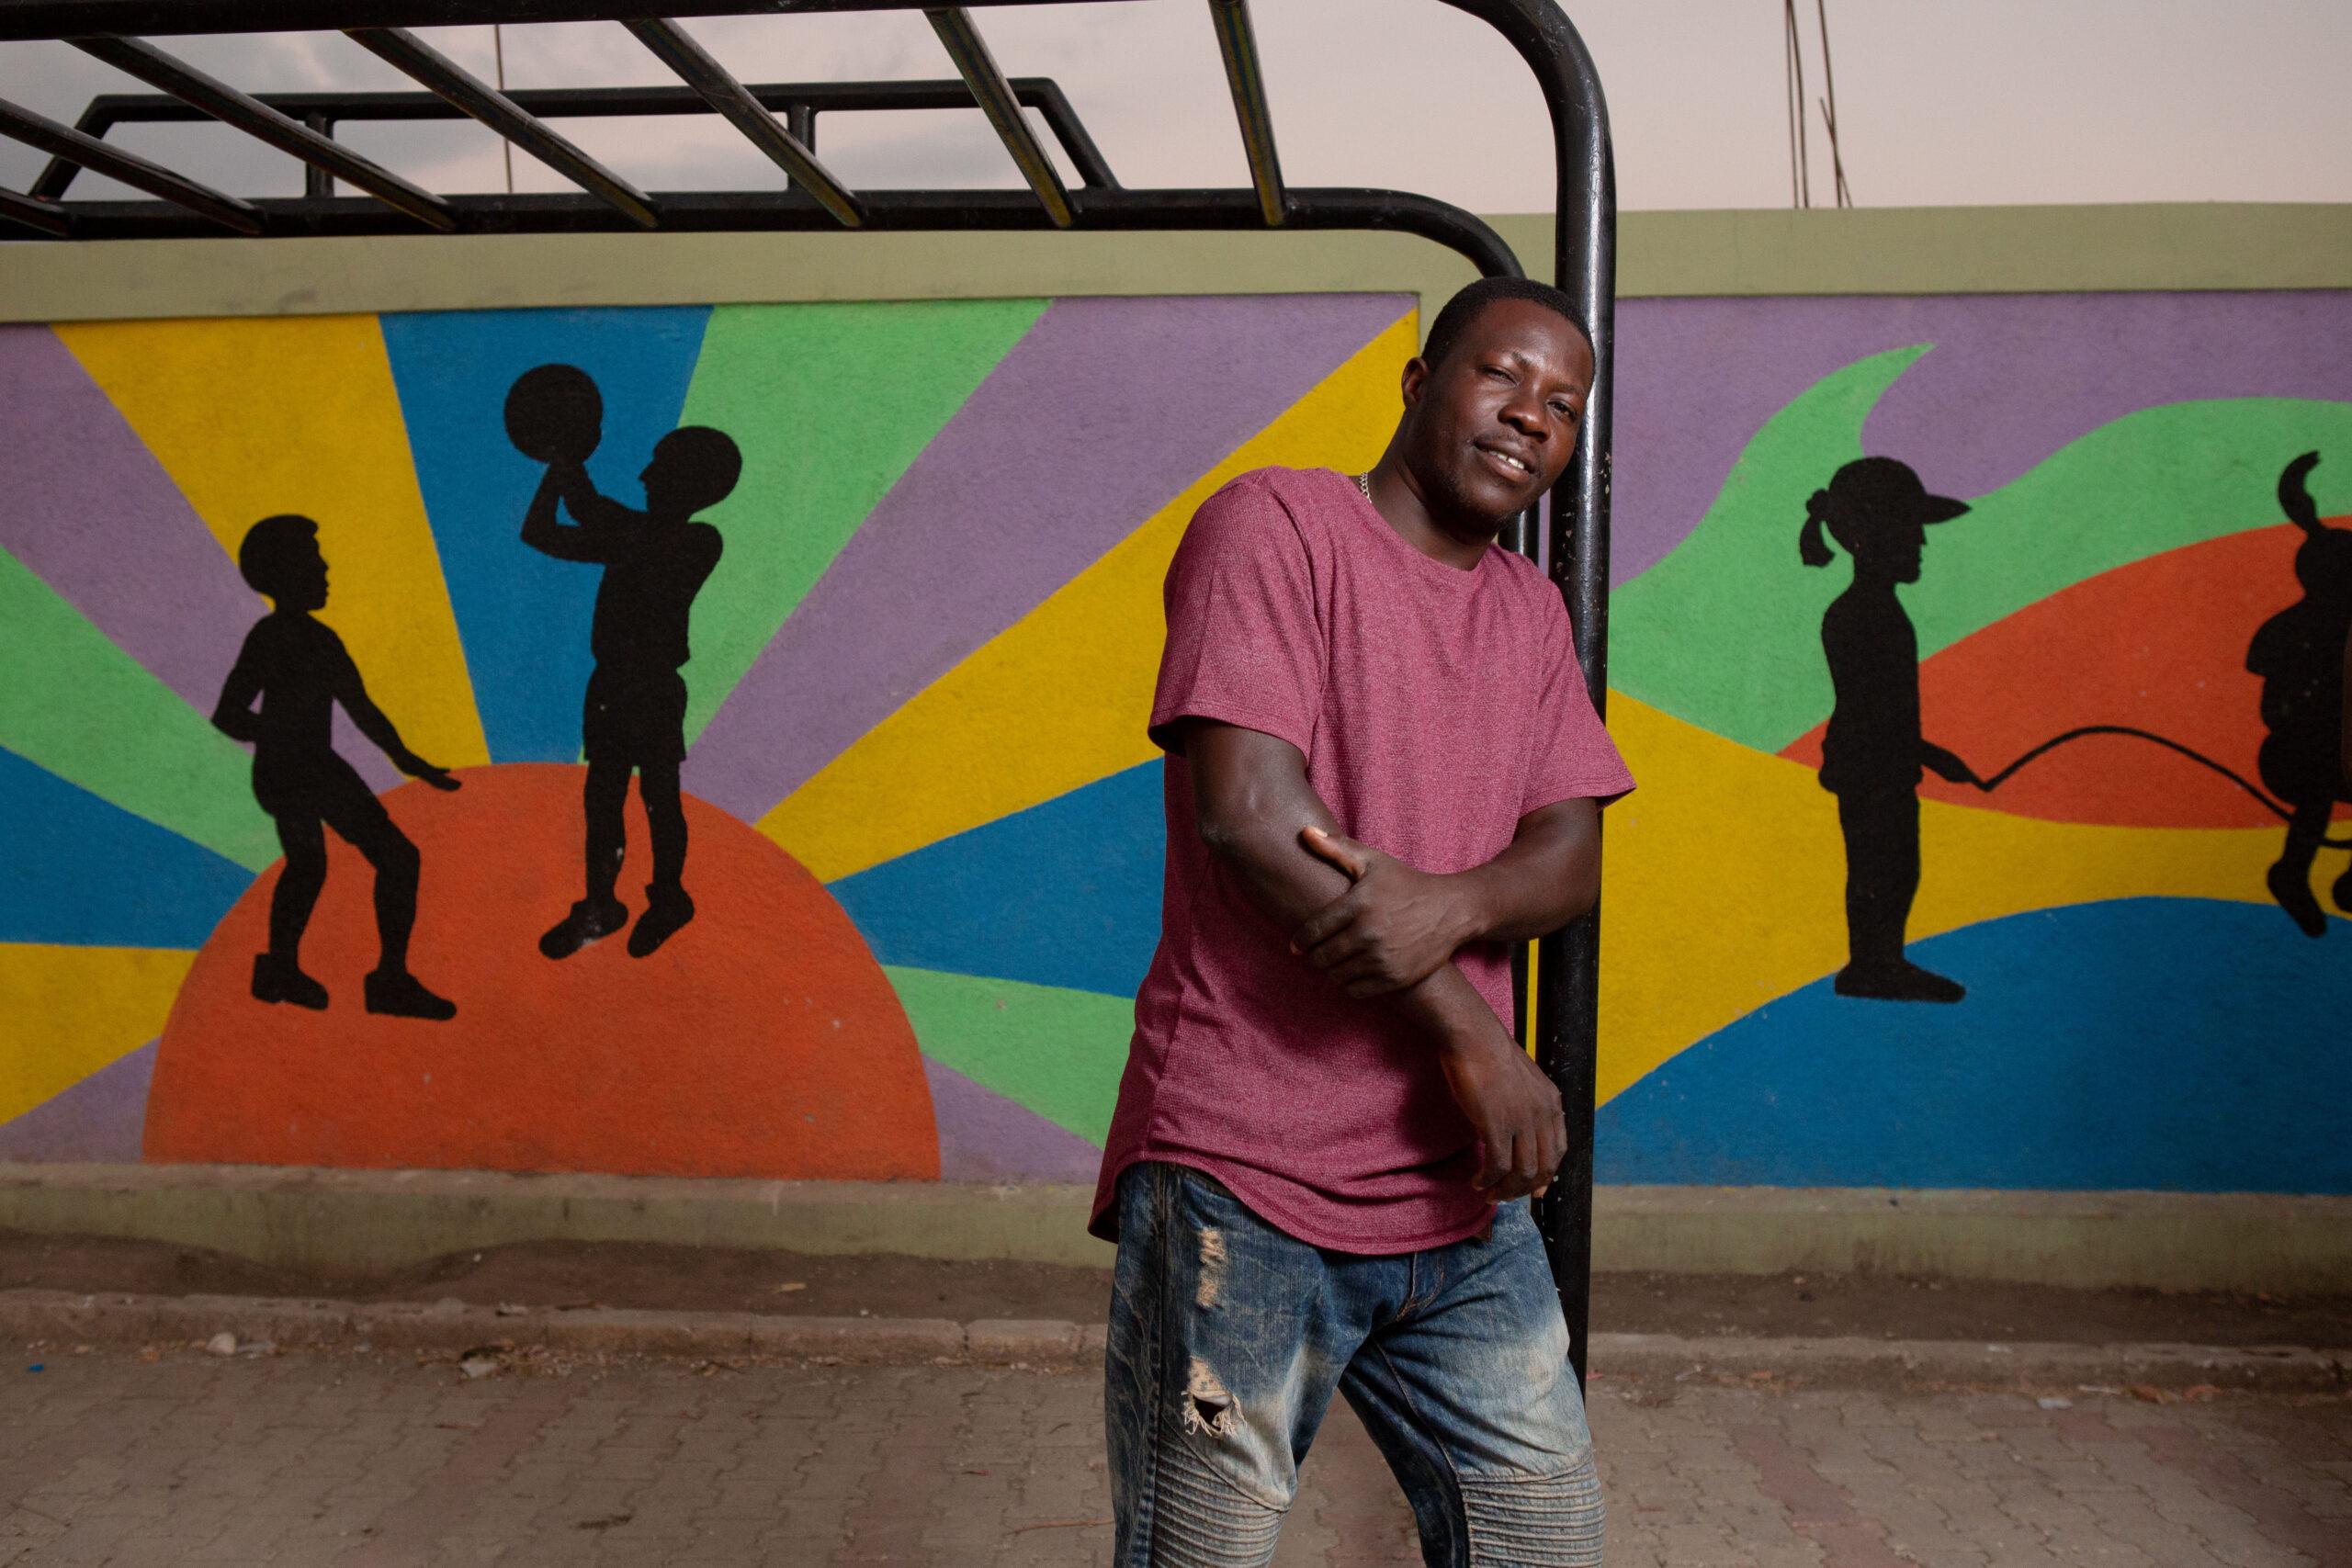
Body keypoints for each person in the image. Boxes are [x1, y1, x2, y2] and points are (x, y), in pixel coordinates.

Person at [1092, 277, 1634, 1567]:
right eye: (1503, 375)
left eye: (1563, 405)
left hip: (1461, 1206)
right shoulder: (1276, 524)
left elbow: (1572, 856)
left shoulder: (1527, 609)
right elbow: (1253, 814)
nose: (1530, 418)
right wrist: (1473, 1035)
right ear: (1418, 379)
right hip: (1246, 1186)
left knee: (1542, 1544)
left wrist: (1447, 899)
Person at [212, 514, 460, 1020]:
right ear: (287, 573)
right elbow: (229, 714)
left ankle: (302, 971)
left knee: (335, 864)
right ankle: (361, 976)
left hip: (313, 766)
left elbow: (362, 709)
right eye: (313, 561)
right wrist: (279, 735)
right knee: (365, 861)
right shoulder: (271, 636)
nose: (325, 570)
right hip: (292, 771)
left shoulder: (323, 641)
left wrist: (410, 761)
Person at [524, 425, 739, 961]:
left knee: (657, 796)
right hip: (615, 684)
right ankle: (602, 903)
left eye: (658, 466)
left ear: (688, 483)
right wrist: (559, 467)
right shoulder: (633, 535)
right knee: (605, 797)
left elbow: (592, 513)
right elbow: (542, 530)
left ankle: (667, 898)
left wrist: (568, 463)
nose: (645, 475)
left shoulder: (695, 540)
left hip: (651, 686)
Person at [1800, 457, 1980, 1002]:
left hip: (1881, 762)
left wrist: (1926, 753)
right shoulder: (1863, 614)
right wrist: (1924, 753)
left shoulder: (1874, 610)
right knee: (1884, 862)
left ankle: (1881, 959)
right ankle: (1875, 963)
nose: (1920, 545)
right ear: (1874, 537)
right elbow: (1869, 709)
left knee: (1895, 862)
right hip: (1872, 766)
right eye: (1911, 531)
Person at [2247, 451, 2352, 936]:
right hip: (2298, 752)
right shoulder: (2291, 629)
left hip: (2340, 751)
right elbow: (2272, 697)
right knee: (2314, 790)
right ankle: (2292, 870)